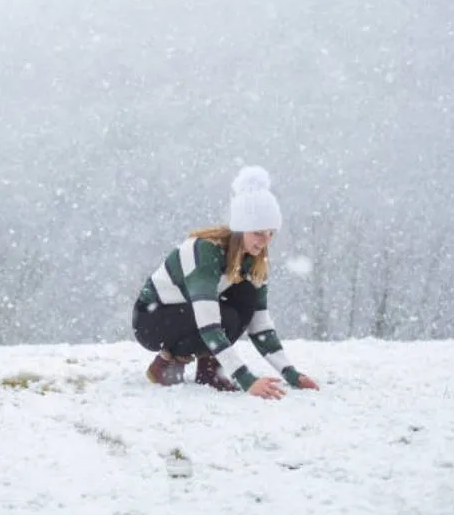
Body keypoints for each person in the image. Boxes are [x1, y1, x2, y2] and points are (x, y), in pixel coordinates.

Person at [131, 166, 319, 399]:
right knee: (225, 317)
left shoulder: (254, 261)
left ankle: (210, 370)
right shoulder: (204, 252)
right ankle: (168, 360)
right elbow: (208, 321)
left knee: (246, 298)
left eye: (271, 233)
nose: (265, 241)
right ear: (240, 229)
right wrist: (246, 380)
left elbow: (260, 326)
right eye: (258, 233)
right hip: (152, 319)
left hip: (189, 315)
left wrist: (292, 374)